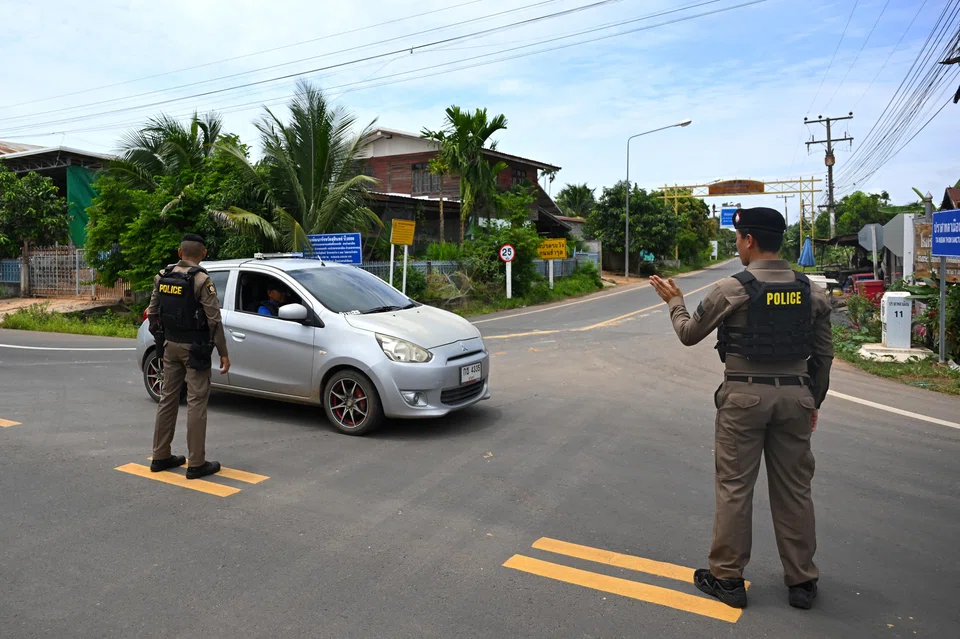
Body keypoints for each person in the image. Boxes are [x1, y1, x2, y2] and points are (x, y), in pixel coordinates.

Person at [650, 207, 833, 611]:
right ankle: (802, 582)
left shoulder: (732, 289)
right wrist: (813, 402)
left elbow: (688, 334)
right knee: (796, 490)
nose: (737, 246)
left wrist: (675, 302)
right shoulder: (812, 292)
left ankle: (728, 579)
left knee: (734, 487)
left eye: (737, 239)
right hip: (796, 398)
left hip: (743, 399)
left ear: (749, 240)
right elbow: (824, 355)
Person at [147, 233, 231, 480]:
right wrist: (223, 352)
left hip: (170, 346)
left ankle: (160, 456)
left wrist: (162, 341)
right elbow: (214, 320)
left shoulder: (162, 277)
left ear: (179, 252)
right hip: (195, 349)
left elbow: (153, 314)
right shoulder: (202, 280)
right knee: (196, 402)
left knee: (167, 399)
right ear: (203, 254)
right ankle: (196, 463)